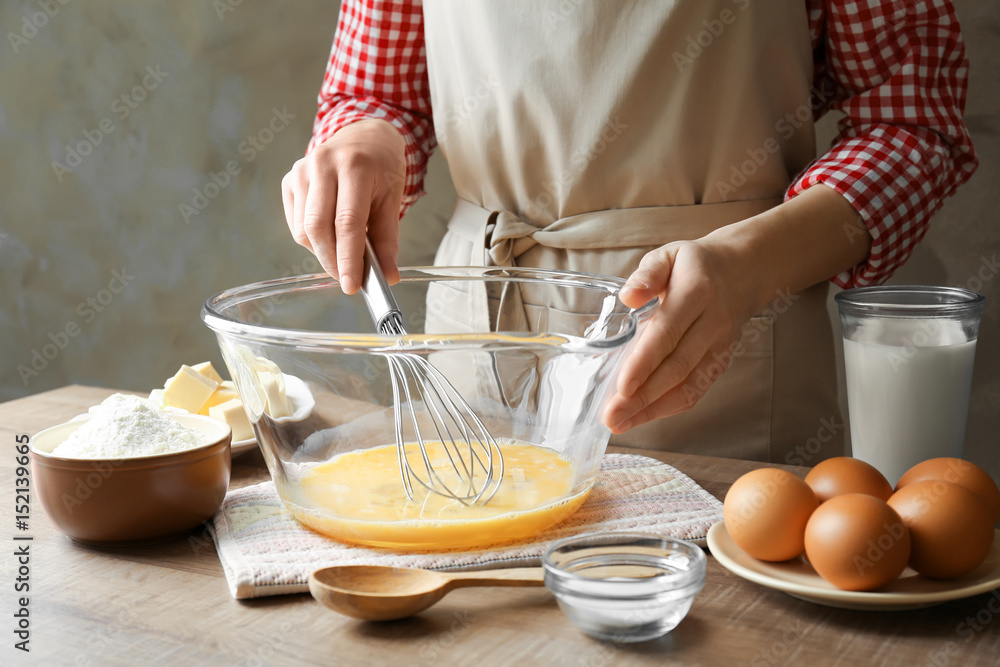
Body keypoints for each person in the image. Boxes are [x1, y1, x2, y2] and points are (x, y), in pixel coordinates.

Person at [282, 0, 977, 463]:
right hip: (474, 355)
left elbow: (913, 125)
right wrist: (367, 136)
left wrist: (751, 264)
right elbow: (377, 92)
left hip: (726, 350)